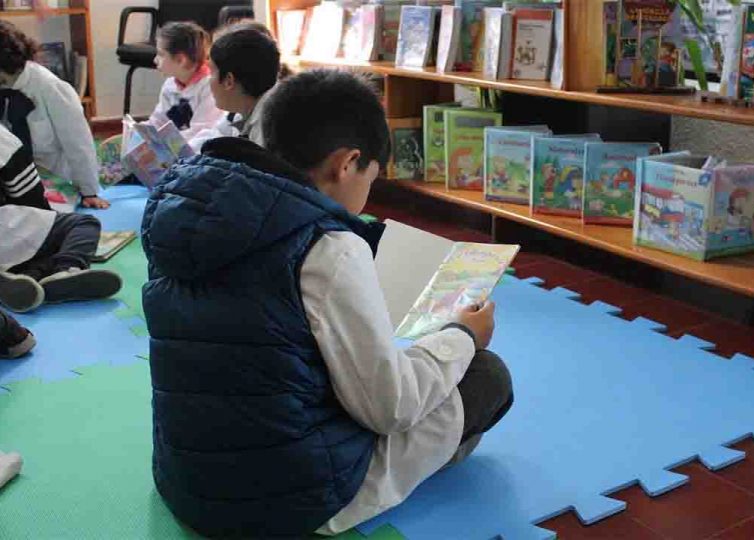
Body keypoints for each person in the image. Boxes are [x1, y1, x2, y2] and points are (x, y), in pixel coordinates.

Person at [141, 69, 513, 537]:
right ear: (347, 162)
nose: (367, 193)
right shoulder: (329, 249)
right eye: (371, 178)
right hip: (290, 502)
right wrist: (462, 336)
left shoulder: (183, 208)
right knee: (487, 376)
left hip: (186, 481)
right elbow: (389, 407)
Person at [0, 124, 121, 313]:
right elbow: (30, 197)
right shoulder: (4, 140)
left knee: (34, 243)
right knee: (82, 224)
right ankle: (66, 270)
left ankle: (23, 277)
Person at [0, 20, 108, 209]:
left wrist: (89, 190)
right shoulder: (5, 86)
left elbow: (78, 143)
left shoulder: (50, 88)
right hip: (13, 176)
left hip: (51, 177)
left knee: (37, 219)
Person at [188, 21, 280, 149]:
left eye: (211, 72)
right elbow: (216, 135)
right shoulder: (243, 107)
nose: (208, 80)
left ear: (229, 81)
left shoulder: (270, 128)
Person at [147, 22, 223, 149]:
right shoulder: (170, 84)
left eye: (160, 54)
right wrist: (141, 132)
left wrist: (162, 144)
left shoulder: (209, 86)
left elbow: (201, 133)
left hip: (199, 151)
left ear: (181, 60)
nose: (155, 60)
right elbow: (159, 120)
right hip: (175, 148)